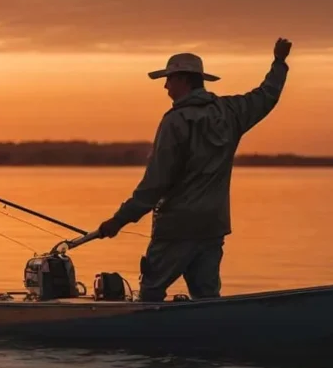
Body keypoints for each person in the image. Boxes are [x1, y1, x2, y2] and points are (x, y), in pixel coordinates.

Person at [94, 38, 292, 301]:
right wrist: (279, 62)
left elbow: (154, 184)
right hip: (213, 224)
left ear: (184, 80)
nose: (165, 86)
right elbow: (267, 95)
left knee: (151, 294)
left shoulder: (174, 122)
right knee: (207, 298)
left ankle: (144, 339)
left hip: (176, 227)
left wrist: (119, 220)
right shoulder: (231, 112)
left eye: (169, 79)